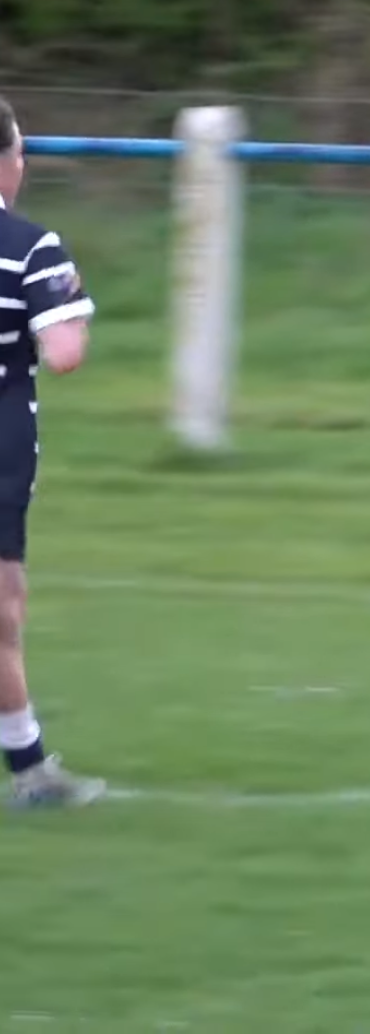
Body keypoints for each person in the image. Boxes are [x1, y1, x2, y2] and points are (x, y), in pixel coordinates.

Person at [0, 96, 105, 808]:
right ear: (8, 163)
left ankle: (30, 764)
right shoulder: (32, 246)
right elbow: (65, 352)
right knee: (3, 606)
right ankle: (32, 772)